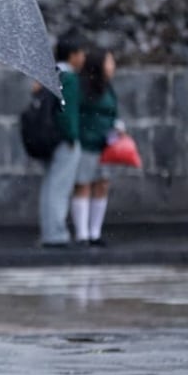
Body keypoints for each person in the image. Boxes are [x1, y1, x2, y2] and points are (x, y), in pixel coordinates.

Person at [38, 31, 87, 248]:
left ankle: (50, 230)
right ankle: (56, 233)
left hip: (49, 138)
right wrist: (72, 136)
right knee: (60, 187)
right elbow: (67, 113)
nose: (84, 58)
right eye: (81, 53)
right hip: (63, 140)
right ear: (73, 55)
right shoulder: (70, 79)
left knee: (51, 186)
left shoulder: (52, 74)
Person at [72, 48, 119, 246]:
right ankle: (82, 234)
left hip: (105, 145)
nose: (112, 66)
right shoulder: (83, 87)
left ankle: (94, 232)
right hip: (86, 143)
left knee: (102, 185)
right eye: (109, 62)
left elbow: (113, 112)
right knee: (83, 185)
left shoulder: (108, 88)